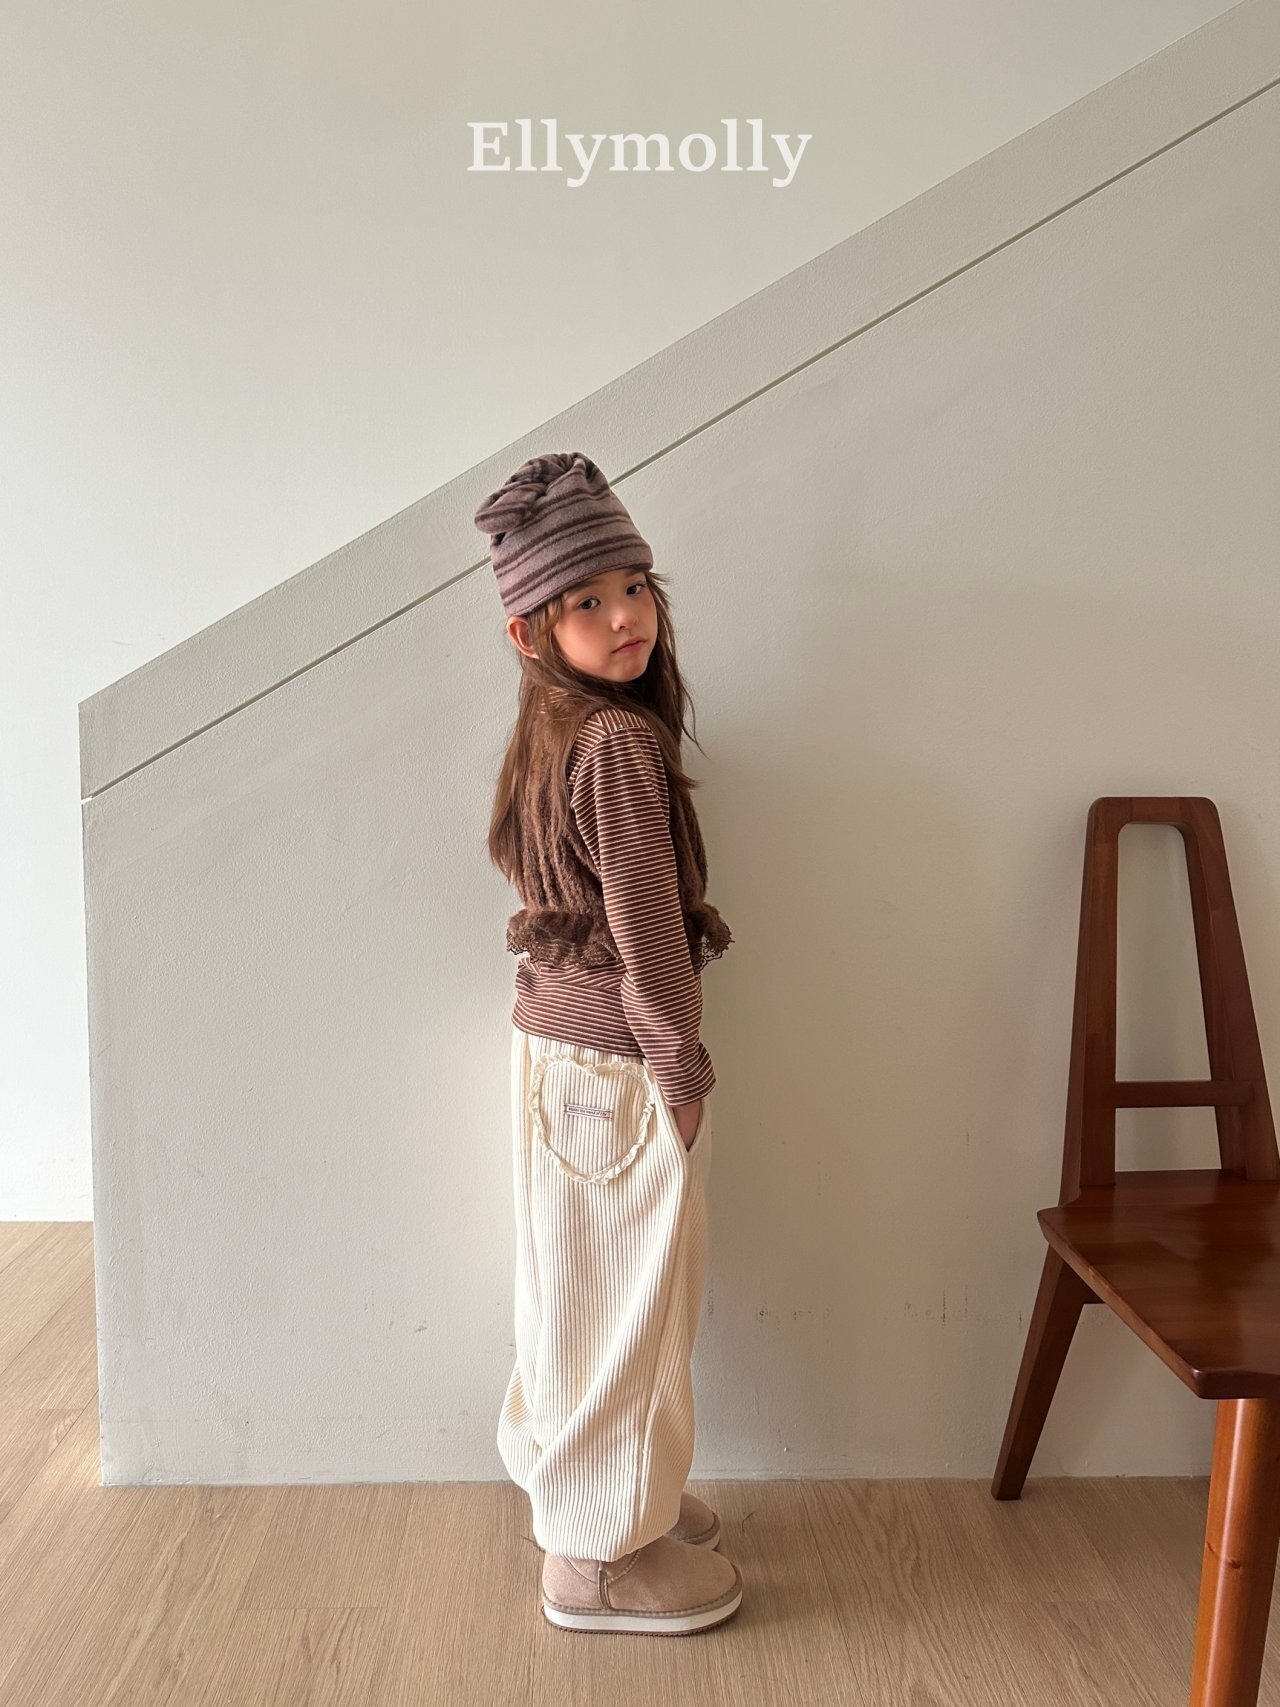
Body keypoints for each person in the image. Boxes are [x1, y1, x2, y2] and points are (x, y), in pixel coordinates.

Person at [475, 451, 744, 1636]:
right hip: (614, 1064)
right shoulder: (618, 746)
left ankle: (599, 1494)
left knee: (570, 1291)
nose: (625, 615)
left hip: (551, 1054)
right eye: (587, 599)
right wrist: (677, 1066)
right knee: (628, 1305)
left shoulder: (550, 728)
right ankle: (599, 1558)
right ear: (530, 628)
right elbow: (646, 929)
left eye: (633, 586)